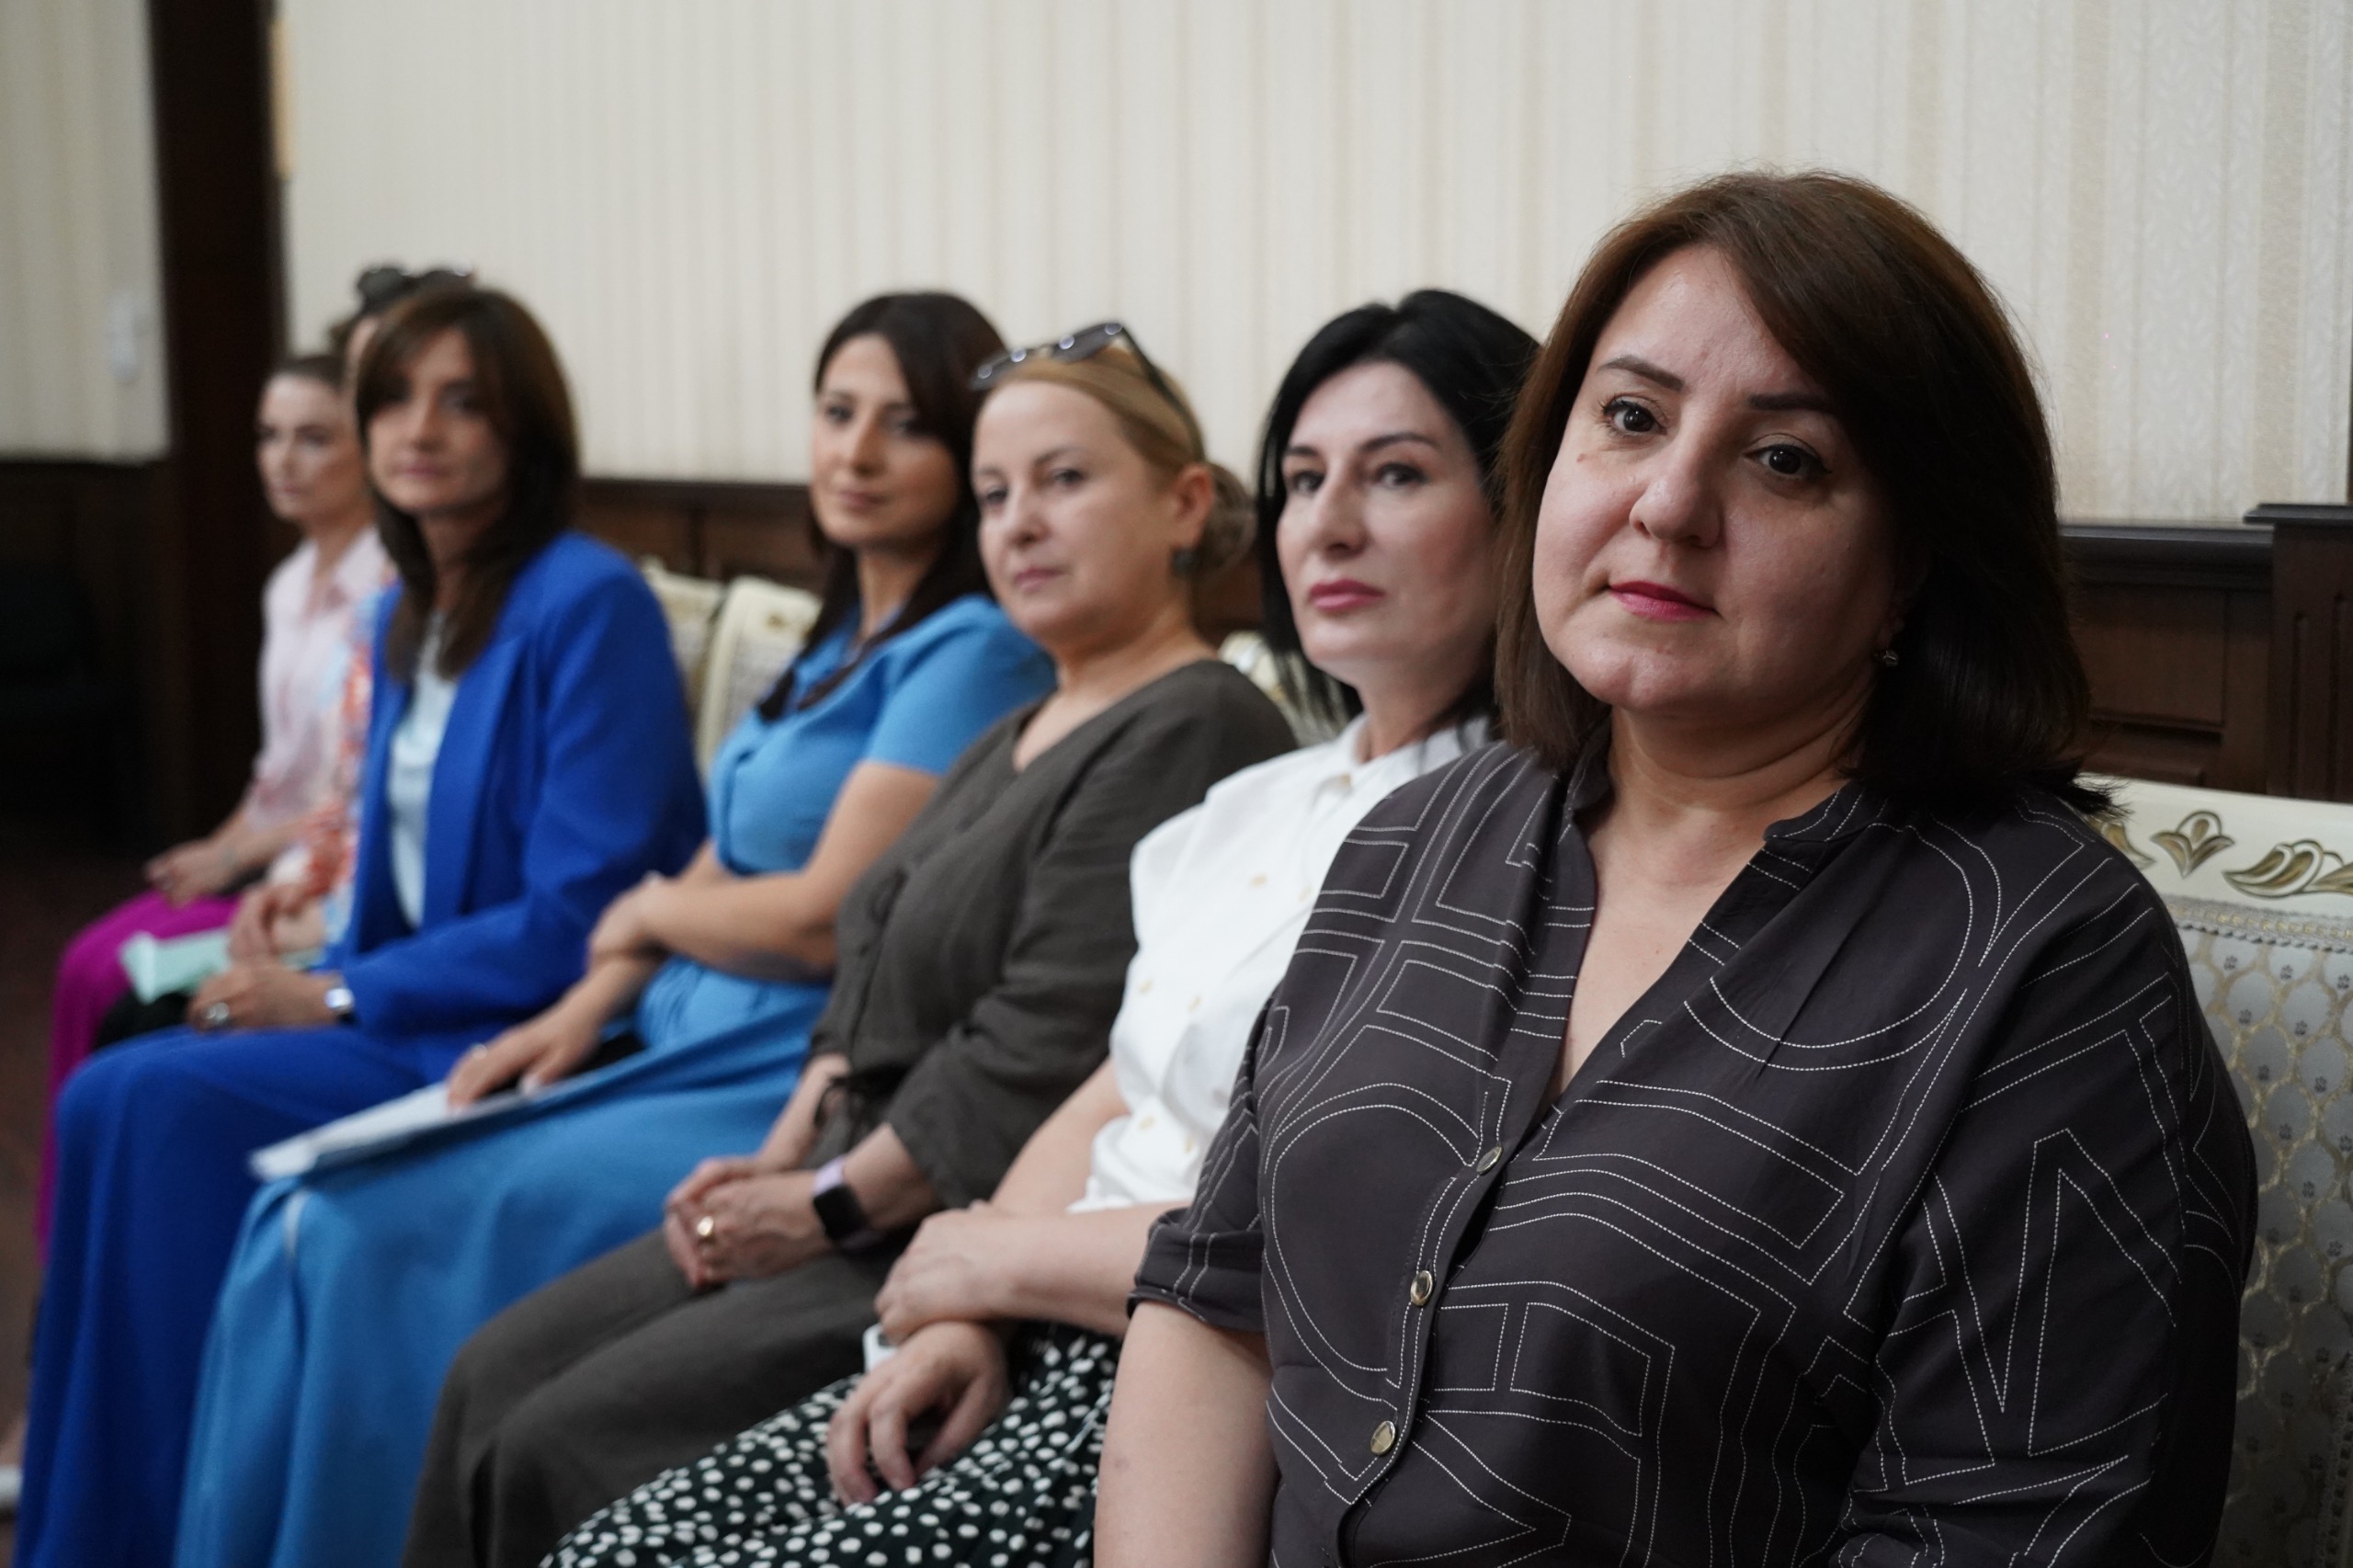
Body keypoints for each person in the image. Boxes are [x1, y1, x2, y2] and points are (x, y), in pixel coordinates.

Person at [1103, 171, 2257, 1565]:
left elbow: (1998, 1529)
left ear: (1913, 564)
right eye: (1632, 418)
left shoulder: (2044, 967)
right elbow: (1219, 1295)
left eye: (1785, 461)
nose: (1668, 503)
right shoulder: (1419, 837)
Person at [544, 290, 1539, 1568]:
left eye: (1395, 474)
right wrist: (966, 1297)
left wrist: (973, 1255)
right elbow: (1111, 1078)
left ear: (1524, 507)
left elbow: (1324, 1223)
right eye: (1303, 479)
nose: (1331, 523)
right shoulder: (1257, 797)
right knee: (612, 1522)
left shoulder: (1508, 829)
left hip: (1190, 1370)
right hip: (1025, 1297)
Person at [172, 293, 1053, 1568]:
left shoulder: (970, 648)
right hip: (667, 1024)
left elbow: (821, 918)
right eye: (836, 412)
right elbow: (720, 853)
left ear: (965, 457)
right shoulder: (835, 641)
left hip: (778, 1061)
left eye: (905, 425)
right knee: (302, 1212)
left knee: (362, 1232)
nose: (856, 451)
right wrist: (581, 1005)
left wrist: (639, 909)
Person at [402, 323, 1297, 1568]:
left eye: (1064, 480)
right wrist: (768, 1163)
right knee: (487, 1370)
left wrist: (819, 1205)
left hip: (935, 1215)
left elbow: (1031, 1048)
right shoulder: (1025, 718)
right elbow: (864, 972)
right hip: (842, 1178)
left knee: (557, 1436)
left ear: (1185, 503)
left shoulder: (1196, 721)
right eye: (995, 493)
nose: (1020, 524)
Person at [20, 285, 708, 1568]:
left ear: (523, 430)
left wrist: (336, 994)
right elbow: (396, 864)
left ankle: (172, 1523)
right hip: (407, 998)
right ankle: (96, 1519)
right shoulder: (404, 610)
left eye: (461, 402)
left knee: (142, 1102)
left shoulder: (588, 602)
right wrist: (312, 943)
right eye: (391, 399)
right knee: (107, 1095)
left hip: (521, 1030)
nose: (417, 430)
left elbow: (580, 912)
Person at [39, 353, 390, 1238]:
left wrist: (235, 858)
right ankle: (67, 1232)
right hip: (282, 853)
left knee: (115, 979)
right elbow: (277, 777)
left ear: (367, 449)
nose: (284, 461)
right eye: (270, 437)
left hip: (316, 868)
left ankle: (99, 1230)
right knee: (84, 961)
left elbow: (348, 790)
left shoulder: (386, 592)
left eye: (314, 439)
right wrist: (219, 851)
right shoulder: (287, 585)